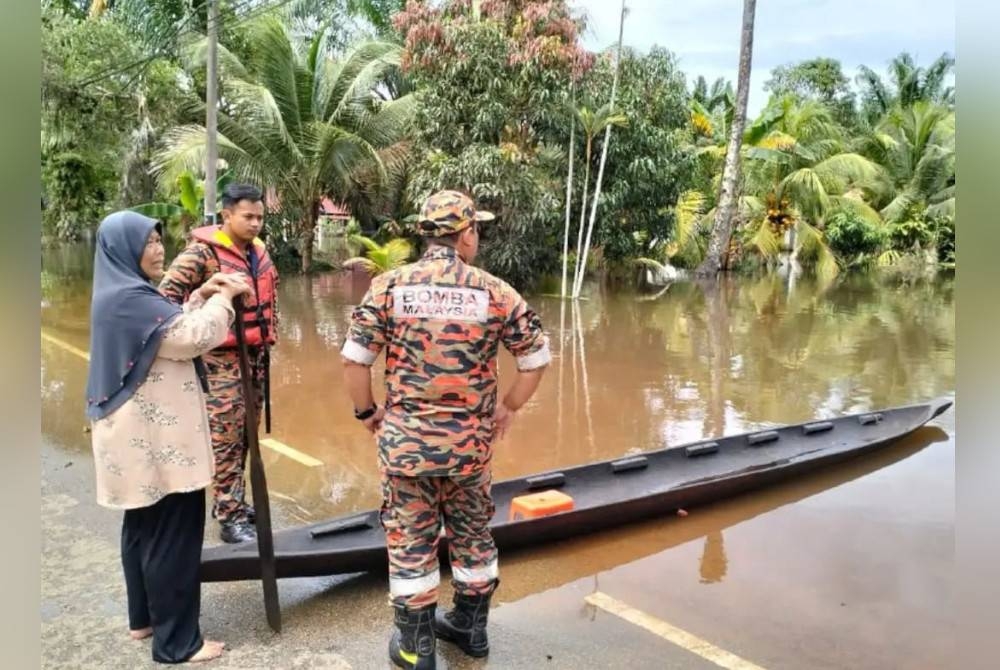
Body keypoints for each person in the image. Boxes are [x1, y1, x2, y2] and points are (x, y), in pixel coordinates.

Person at [340, 190, 551, 669]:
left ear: (425, 233)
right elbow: (536, 359)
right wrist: (509, 408)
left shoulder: (390, 287)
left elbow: (355, 362)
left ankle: (417, 650)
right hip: (469, 449)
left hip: (406, 447)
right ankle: (471, 631)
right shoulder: (496, 291)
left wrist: (367, 413)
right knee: (474, 535)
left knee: (412, 541)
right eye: (477, 230)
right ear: (467, 233)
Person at [85, 211, 252, 663]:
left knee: (142, 529)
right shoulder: (132, 298)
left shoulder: (122, 292)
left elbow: (165, 325)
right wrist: (224, 300)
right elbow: (191, 337)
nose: (159, 250)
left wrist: (199, 295)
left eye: (160, 240)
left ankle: (143, 620)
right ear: (125, 249)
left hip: (133, 438)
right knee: (173, 536)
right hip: (158, 441)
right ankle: (178, 643)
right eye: (149, 243)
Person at [159, 183, 279, 544]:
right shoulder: (200, 255)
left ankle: (236, 504)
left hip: (255, 360)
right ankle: (229, 517)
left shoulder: (258, 251)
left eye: (260, 217)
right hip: (220, 363)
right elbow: (163, 300)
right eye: (248, 217)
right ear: (226, 215)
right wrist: (201, 298)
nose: (256, 223)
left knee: (246, 439)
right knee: (225, 441)